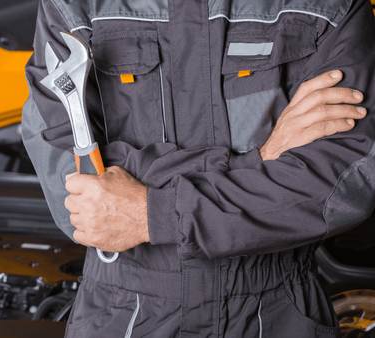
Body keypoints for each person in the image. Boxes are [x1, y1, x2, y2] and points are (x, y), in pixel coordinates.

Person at [22, 0, 375, 336]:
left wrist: (150, 213)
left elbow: (342, 184)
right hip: (122, 312)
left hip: (276, 309)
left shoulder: (329, 5)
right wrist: (261, 160)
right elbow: (79, 201)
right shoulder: (72, 5)